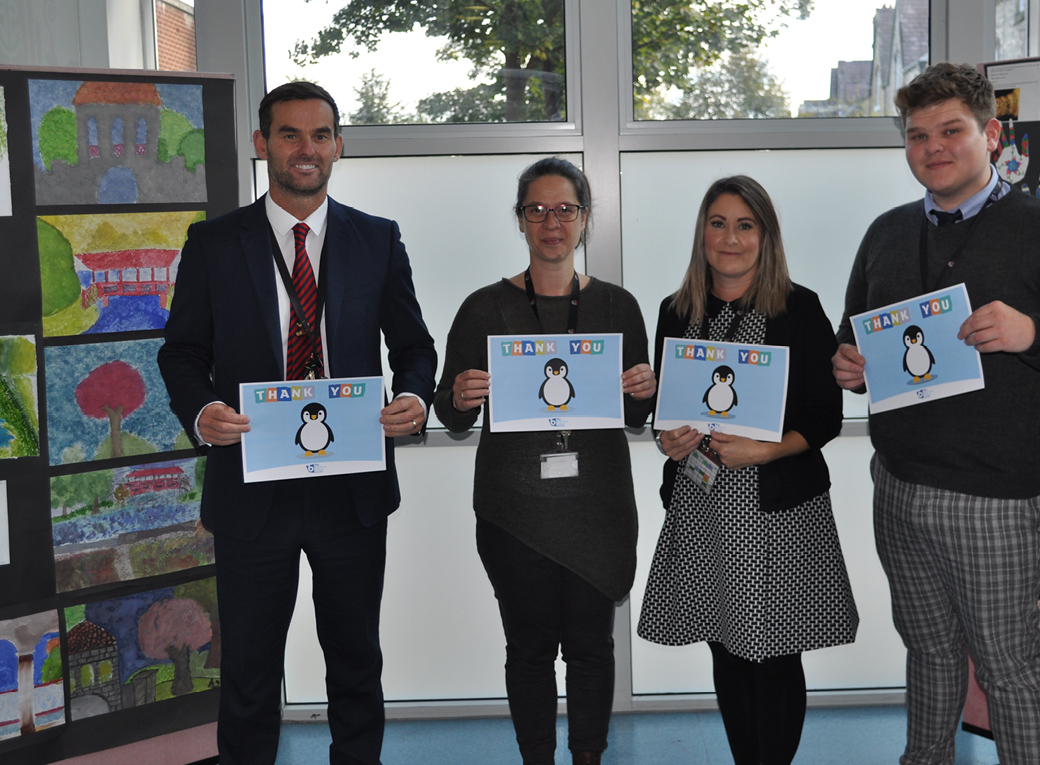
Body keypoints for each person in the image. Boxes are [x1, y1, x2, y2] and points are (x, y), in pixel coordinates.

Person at [831, 63, 1040, 765]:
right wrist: (848, 367)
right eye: (918, 134)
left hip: (997, 496)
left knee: (1007, 664)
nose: (933, 146)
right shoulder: (886, 232)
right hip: (898, 485)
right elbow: (852, 337)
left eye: (951, 130)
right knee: (927, 648)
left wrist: (1032, 334)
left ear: (991, 135)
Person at [158, 81, 437, 765]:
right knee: (249, 674)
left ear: (338, 145)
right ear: (263, 144)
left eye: (320, 135)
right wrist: (203, 410)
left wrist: (415, 397)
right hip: (252, 491)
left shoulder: (377, 238)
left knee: (355, 664)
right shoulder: (215, 243)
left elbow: (414, 346)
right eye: (289, 134)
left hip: (351, 493)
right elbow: (182, 353)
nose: (305, 149)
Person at [432, 157, 656, 765]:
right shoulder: (483, 308)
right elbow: (450, 415)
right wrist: (456, 395)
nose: (551, 222)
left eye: (564, 209)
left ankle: (588, 757)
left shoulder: (618, 307)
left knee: (591, 649)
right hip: (514, 513)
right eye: (537, 209)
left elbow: (638, 417)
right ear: (520, 220)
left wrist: (646, 389)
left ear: (584, 218)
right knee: (527, 651)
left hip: (599, 509)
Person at [638, 175, 859, 765]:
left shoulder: (798, 307)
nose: (730, 238)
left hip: (780, 510)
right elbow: (668, 416)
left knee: (777, 653)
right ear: (702, 234)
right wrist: (670, 438)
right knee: (728, 651)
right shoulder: (676, 311)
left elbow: (826, 416)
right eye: (718, 224)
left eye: (744, 225)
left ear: (765, 235)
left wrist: (765, 451)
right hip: (703, 505)